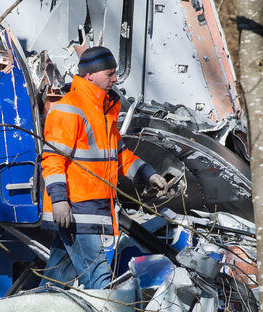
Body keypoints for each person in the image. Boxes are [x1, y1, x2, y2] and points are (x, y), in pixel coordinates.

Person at [39, 46, 167, 289]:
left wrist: (148, 174)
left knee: (56, 282)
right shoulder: (70, 108)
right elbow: (53, 158)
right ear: (90, 75)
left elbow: (118, 155)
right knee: (99, 280)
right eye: (110, 74)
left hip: (91, 207)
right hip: (75, 208)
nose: (115, 78)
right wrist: (58, 200)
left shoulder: (103, 110)